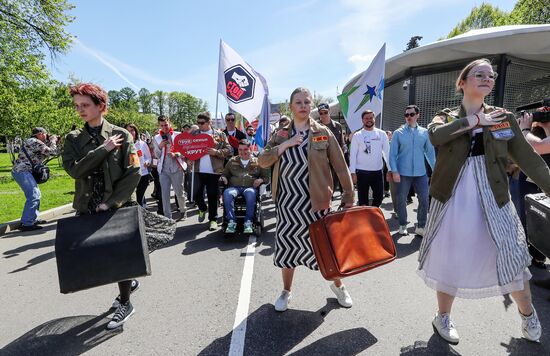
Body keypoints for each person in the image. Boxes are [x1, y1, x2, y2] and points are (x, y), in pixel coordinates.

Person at [417, 59, 550, 345]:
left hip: (495, 196)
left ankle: (528, 316)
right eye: (479, 74)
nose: (487, 79)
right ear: (462, 82)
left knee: (512, 257)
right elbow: (435, 137)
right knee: (450, 258)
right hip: (452, 197)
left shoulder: (504, 117)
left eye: (491, 75)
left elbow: (529, 159)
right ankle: (443, 317)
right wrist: (474, 121)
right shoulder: (445, 117)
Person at [258, 87, 355, 312]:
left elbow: (340, 166)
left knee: (325, 250)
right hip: (287, 202)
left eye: (307, 102)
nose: (303, 105)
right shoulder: (280, 133)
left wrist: (349, 195)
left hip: (316, 203)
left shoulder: (323, 132)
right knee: (287, 249)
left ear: (311, 106)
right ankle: (286, 291)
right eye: (298, 102)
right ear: (290, 106)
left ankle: (339, 286)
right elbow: (263, 161)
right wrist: (285, 145)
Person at [62, 83, 141, 330]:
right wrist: (103, 150)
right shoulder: (74, 139)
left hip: (117, 205)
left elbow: (133, 172)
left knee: (121, 258)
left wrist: (111, 202)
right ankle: (127, 282)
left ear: (101, 106)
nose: (80, 110)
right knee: (95, 257)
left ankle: (125, 302)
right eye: (77, 105)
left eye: (85, 105)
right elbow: (75, 170)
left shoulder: (122, 135)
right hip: (88, 206)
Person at [389, 105, 436, 236]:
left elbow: (430, 153)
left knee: (424, 199)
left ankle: (421, 226)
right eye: (406, 115)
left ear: (417, 115)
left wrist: (435, 170)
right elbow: (392, 155)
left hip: (421, 173)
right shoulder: (398, 133)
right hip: (403, 173)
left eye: (411, 114)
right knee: (401, 199)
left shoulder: (424, 132)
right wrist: (394, 171)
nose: (409, 117)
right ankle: (402, 224)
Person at [189, 111, 231, 230]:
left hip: (214, 171)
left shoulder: (220, 134)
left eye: (202, 123)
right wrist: (188, 159)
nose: (199, 125)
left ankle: (213, 219)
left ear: (209, 122)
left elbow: (229, 150)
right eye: (198, 123)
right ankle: (202, 208)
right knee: (195, 194)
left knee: (213, 195)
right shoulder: (194, 134)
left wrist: (216, 152)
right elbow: (187, 149)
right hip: (197, 170)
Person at [12, 127, 58, 231]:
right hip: (22, 171)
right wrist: (53, 141)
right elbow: (53, 152)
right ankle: (27, 223)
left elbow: (49, 149)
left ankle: (33, 218)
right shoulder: (34, 141)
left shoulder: (34, 141)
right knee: (34, 195)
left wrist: (53, 141)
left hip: (24, 171)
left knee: (36, 194)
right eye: (46, 134)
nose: (47, 136)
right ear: (40, 134)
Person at [220, 139, 270, 233]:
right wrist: (224, 178)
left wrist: (260, 180)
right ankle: (231, 221)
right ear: (238, 150)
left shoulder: (258, 161)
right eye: (240, 150)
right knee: (227, 193)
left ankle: (248, 222)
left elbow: (266, 177)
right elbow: (224, 174)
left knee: (250, 193)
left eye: (245, 149)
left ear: (250, 149)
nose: (243, 152)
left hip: (250, 187)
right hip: (234, 187)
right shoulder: (232, 161)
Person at [349, 110, 390, 207]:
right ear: (362, 120)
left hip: (377, 172)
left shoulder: (382, 134)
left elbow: (387, 153)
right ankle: (365, 218)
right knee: (363, 201)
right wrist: (352, 172)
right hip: (361, 173)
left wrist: (390, 169)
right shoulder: (357, 135)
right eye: (366, 118)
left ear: (374, 119)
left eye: (371, 118)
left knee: (379, 198)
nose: (369, 120)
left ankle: (373, 215)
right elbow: (353, 155)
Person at [153, 115, 187, 220]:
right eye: (162, 125)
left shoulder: (178, 135)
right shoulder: (157, 138)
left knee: (179, 193)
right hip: (163, 170)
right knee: (165, 194)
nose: (164, 127)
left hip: (177, 168)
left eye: (166, 125)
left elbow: (185, 151)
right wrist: (160, 146)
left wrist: (176, 154)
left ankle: (183, 210)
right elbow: (156, 155)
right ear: (159, 126)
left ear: (170, 123)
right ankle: (168, 216)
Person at [126, 123, 152, 207]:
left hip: (143, 174)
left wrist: (147, 162)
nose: (130, 133)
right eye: (128, 131)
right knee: (132, 199)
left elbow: (148, 157)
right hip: (129, 176)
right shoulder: (123, 145)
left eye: (132, 130)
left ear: (136, 132)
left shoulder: (142, 144)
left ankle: (142, 216)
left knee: (139, 198)